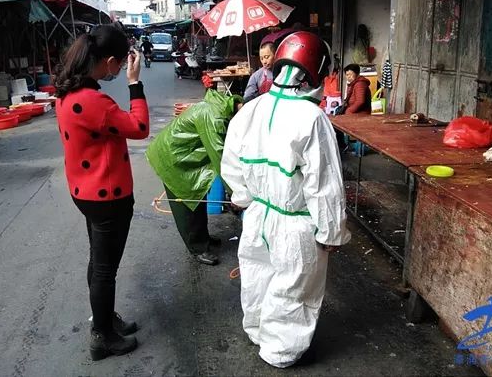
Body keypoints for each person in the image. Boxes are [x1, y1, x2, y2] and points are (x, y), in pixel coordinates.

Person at [221, 31, 351, 368]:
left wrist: (244, 197)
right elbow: (324, 184)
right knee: (293, 287)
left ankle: (257, 331)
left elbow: (231, 164)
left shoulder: (251, 110)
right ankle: (280, 352)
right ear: (316, 72)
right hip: (295, 223)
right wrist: (330, 232)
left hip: (257, 217)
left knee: (258, 276)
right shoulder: (313, 118)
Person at [54, 25, 149, 361]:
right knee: (105, 269)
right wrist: (134, 84)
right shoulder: (94, 101)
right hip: (108, 196)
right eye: (121, 64)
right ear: (109, 62)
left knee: (99, 261)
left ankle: (104, 320)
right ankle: (103, 336)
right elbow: (139, 127)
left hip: (86, 192)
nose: (121, 69)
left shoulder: (68, 92)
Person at [146, 89, 243, 266]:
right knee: (186, 205)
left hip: (185, 154)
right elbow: (221, 159)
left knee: (198, 198)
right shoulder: (214, 118)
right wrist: (236, 194)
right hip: (173, 158)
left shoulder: (222, 106)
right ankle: (197, 247)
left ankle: (202, 237)